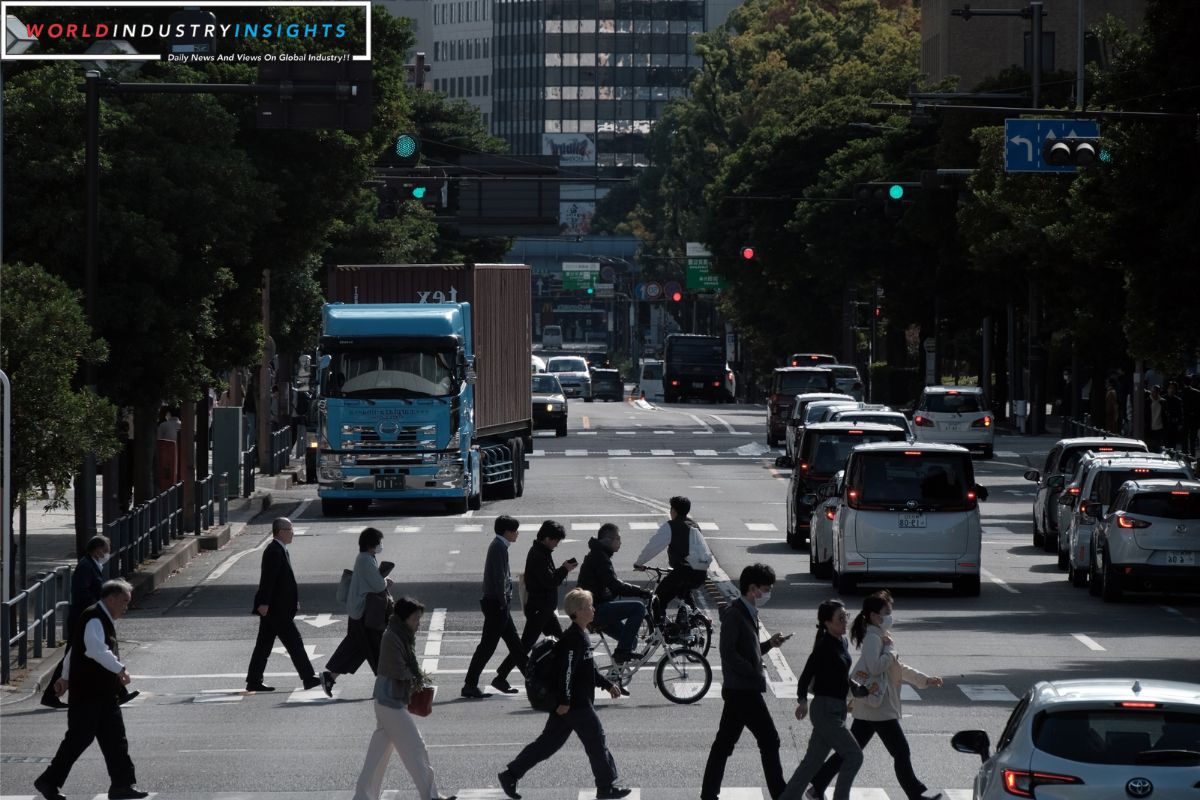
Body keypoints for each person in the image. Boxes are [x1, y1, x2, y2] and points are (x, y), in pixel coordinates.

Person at [805, 591, 944, 800]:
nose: (890, 616)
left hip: (872, 706)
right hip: (879, 707)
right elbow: (876, 667)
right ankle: (916, 795)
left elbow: (896, 668)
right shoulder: (874, 638)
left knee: (850, 751)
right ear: (873, 616)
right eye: (886, 612)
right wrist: (890, 651)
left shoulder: (880, 637)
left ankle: (816, 786)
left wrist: (924, 680)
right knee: (901, 751)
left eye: (890, 611)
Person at [497, 589, 632, 800]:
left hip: (572, 703)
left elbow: (588, 669)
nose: (593, 609)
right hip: (576, 704)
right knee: (596, 740)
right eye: (589, 606)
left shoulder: (580, 635)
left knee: (548, 744)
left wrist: (608, 685)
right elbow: (566, 672)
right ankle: (606, 787)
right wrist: (565, 701)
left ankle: (510, 775)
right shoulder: (572, 638)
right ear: (577, 612)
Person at [34, 579, 150, 800]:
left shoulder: (98, 617)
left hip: (104, 694)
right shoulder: (95, 617)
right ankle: (48, 781)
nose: (126, 607)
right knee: (77, 740)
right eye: (124, 602)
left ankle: (122, 785)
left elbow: (75, 650)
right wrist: (119, 669)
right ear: (111, 598)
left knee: (115, 740)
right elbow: (95, 650)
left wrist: (64, 677)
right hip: (88, 695)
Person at [352, 596, 455, 800]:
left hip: (387, 701)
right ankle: (431, 796)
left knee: (377, 757)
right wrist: (418, 680)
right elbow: (398, 669)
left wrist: (417, 679)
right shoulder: (392, 637)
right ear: (403, 618)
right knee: (416, 748)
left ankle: (363, 797)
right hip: (390, 703)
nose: (418, 623)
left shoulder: (402, 635)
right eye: (415, 619)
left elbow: (404, 668)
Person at [700, 563, 788, 800]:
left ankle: (708, 794)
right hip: (743, 690)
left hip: (740, 689)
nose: (768, 593)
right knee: (770, 740)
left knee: (724, 744)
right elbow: (728, 653)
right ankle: (780, 793)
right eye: (766, 588)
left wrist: (770, 645)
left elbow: (747, 650)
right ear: (752, 589)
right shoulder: (735, 614)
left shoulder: (747, 612)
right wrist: (752, 670)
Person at [778, 599, 863, 800]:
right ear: (827, 622)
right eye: (840, 618)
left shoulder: (841, 642)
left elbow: (839, 675)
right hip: (825, 710)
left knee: (812, 762)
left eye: (846, 617)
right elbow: (806, 676)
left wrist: (856, 688)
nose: (845, 622)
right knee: (853, 755)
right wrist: (802, 701)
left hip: (837, 708)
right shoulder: (824, 646)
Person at [42, 536, 138, 710]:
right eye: (106, 549)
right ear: (97, 550)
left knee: (78, 653)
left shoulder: (91, 565)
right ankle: (51, 694)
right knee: (84, 652)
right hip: (83, 619)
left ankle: (119, 692)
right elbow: (82, 593)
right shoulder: (86, 567)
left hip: (85, 617)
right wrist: (100, 607)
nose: (107, 553)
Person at [494, 520, 579, 694]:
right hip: (540, 609)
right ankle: (501, 676)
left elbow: (548, 578)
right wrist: (564, 569)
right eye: (555, 540)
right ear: (547, 538)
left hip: (544, 609)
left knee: (559, 643)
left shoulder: (542, 551)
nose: (557, 544)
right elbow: (549, 581)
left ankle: (565, 676)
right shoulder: (538, 555)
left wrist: (562, 569)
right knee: (525, 646)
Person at [245, 517, 322, 693]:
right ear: (280, 532)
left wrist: (293, 600)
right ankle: (308, 678)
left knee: (263, 645)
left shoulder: (280, 549)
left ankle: (254, 680)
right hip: (276, 609)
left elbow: (284, 581)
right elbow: (268, 580)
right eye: (289, 529)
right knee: (295, 643)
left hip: (277, 607)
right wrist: (264, 602)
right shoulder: (274, 551)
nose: (292, 533)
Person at [461, 515, 529, 698]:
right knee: (488, 647)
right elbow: (499, 578)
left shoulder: (499, 546)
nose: (517, 534)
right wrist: (503, 601)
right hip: (496, 604)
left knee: (515, 645)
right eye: (515, 531)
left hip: (497, 604)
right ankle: (469, 684)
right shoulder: (499, 547)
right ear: (507, 531)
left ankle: (532, 680)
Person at [322, 527, 394, 697]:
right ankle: (384, 686)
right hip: (364, 613)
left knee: (357, 648)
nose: (380, 545)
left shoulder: (366, 558)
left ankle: (330, 677)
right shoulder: (366, 560)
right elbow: (377, 585)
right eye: (379, 542)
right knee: (376, 648)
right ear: (371, 544)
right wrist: (385, 581)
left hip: (359, 612)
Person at [576, 523, 651, 663]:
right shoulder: (599, 557)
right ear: (608, 540)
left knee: (631, 641)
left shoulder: (599, 554)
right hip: (595, 609)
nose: (620, 542)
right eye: (618, 539)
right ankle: (621, 653)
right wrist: (641, 592)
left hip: (596, 606)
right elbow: (615, 585)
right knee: (638, 607)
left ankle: (616, 675)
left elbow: (610, 583)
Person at [633, 495, 711, 626]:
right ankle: (696, 619)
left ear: (674, 511)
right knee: (684, 593)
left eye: (671, 509)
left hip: (683, 571)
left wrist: (639, 563)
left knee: (658, 598)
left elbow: (653, 546)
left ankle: (661, 630)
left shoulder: (672, 526)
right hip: (700, 573)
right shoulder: (694, 525)